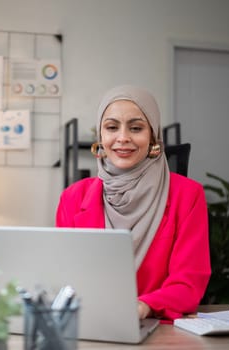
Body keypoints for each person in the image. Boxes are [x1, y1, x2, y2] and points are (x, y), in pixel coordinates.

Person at [56, 85, 210, 321]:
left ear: (153, 136)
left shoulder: (188, 195)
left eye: (136, 128)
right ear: (101, 136)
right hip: (93, 323)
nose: (123, 138)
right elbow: (64, 276)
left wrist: (143, 306)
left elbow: (188, 283)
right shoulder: (72, 198)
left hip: (158, 326)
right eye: (111, 127)